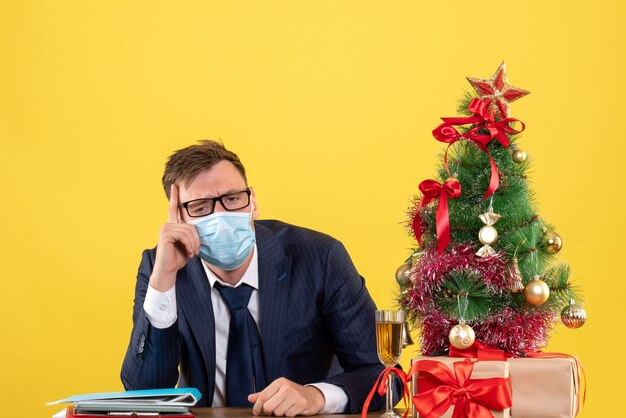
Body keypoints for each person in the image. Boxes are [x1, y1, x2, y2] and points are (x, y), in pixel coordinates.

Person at [121, 140, 387, 416]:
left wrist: (316, 396)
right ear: (178, 217)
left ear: (253, 202)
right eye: (200, 208)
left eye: (233, 199)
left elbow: (383, 376)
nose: (222, 215)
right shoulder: (160, 268)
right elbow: (144, 392)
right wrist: (164, 279)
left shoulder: (320, 258)